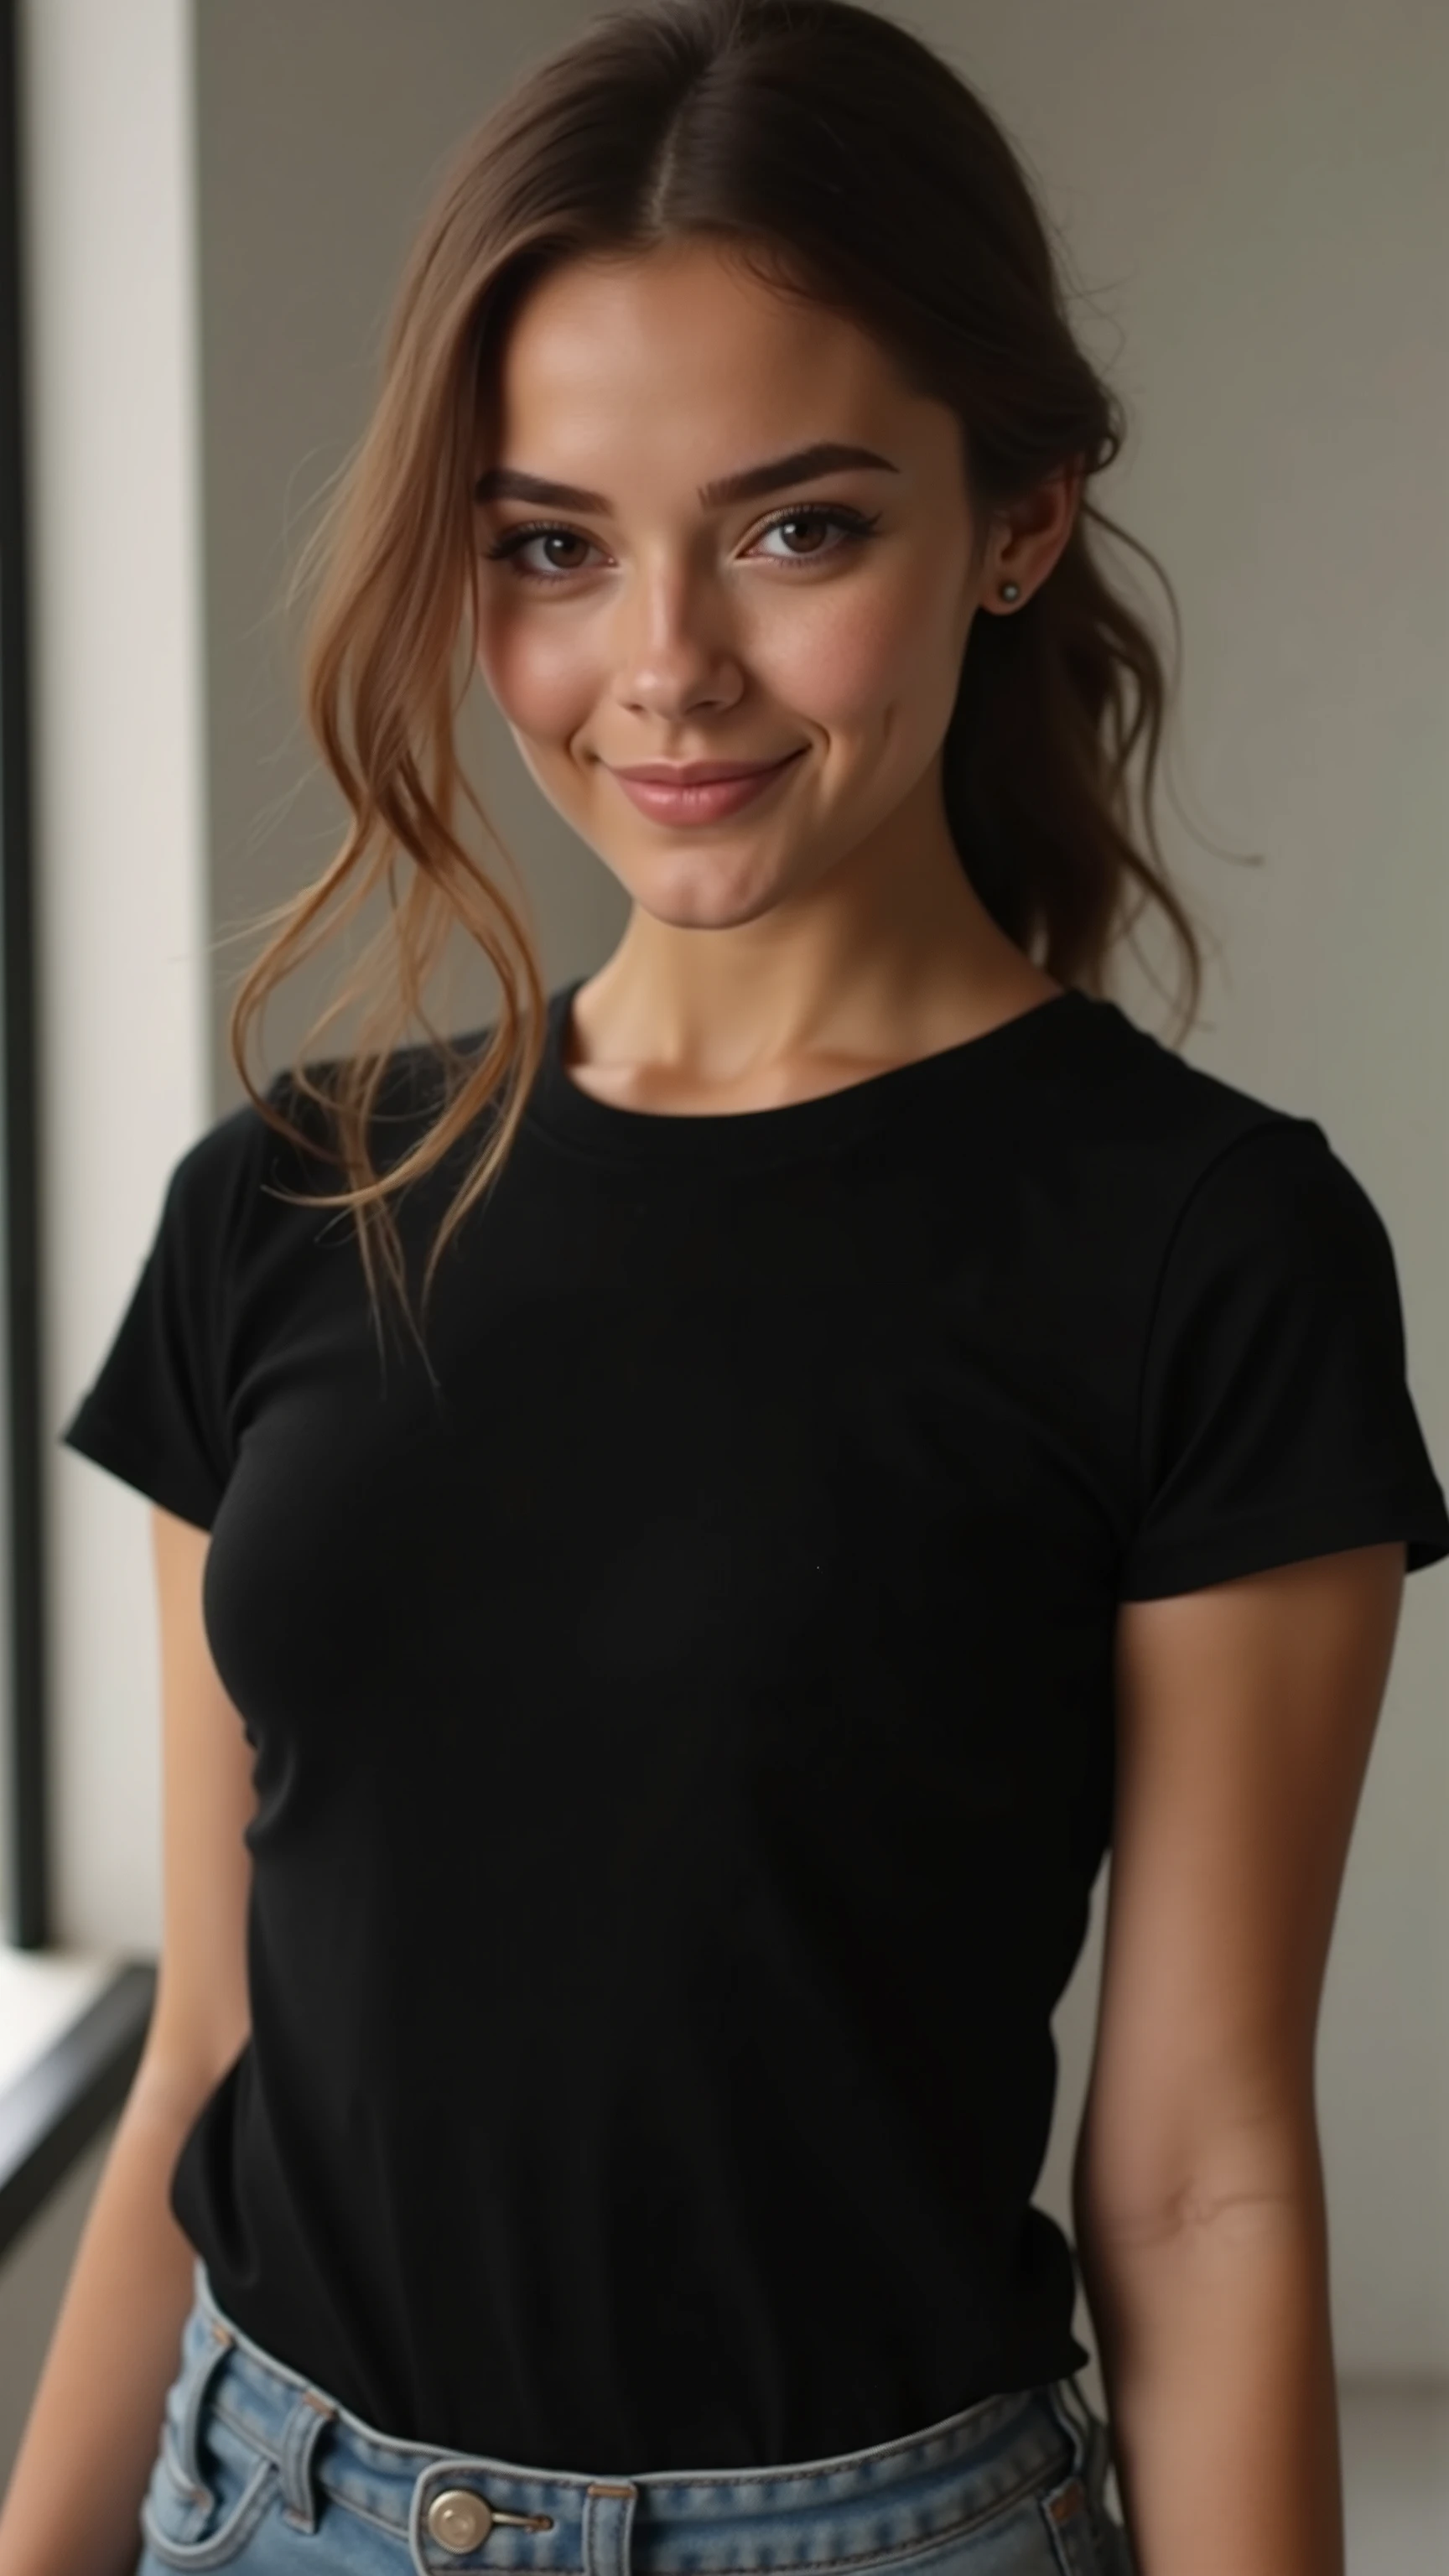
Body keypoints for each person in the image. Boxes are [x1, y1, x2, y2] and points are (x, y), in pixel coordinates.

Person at [5, 3, 1445, 2572]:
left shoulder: (1207, 1254)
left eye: (796, 529)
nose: (660, 662)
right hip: (266, 2504)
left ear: (1016, 517)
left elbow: (1209, 2176)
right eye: (552, 542)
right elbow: (216, 2049)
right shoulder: (285, 1207)